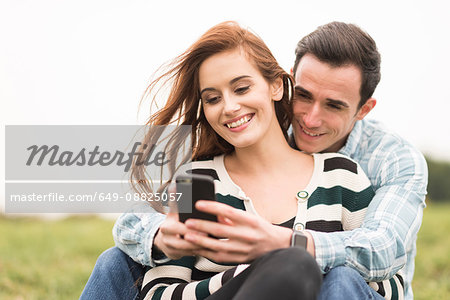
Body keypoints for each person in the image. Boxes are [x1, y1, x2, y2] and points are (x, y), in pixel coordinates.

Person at [81, 21, 427, 300]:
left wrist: (285, 248)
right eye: (213, 98)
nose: (309, 118)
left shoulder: (353, 173)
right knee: (115, 260)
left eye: (242, 89)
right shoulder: (196, 177)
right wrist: (253, 272)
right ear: (289, 83)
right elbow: (156, 279)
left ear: (274, 86)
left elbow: (384, 265)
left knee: (325, 272)